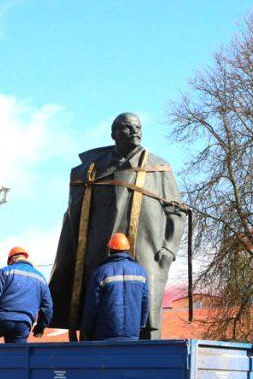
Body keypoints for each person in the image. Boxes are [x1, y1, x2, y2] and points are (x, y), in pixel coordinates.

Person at [48, 112, 186, 340]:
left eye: (138, 127)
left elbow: (177, 212)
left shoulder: (158, 167)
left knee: (147, 316)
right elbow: (73, 215)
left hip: (146, 254)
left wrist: (169, 248)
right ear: (114, 133)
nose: (136, 132)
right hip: (99, 256)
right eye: (128, 128)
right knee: (94, 312)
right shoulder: (94, 169)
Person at [0, 246, 53, 344]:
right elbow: (47, 307)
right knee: (16, 355)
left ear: (12, 259)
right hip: (23, 324)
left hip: (2, 319)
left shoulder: (5, 272)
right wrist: (40, 327)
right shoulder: (41, 279)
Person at [81, 233, 150, 341]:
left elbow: (92, 304)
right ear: (127, 249)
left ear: (110, 250)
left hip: (105, 334)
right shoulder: (140, 272)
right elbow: (145, 302)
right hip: (132, 333)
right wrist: (140, 325)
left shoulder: (101, 272)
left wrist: (87, 329)